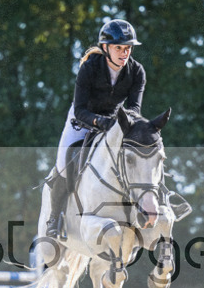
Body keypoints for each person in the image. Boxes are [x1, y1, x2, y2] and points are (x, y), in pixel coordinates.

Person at [44, 19, 146, 239]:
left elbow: (134, 110)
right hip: (82, 121)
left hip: (114, 123)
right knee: (63, 164)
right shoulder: (89, 69)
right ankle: (55, 218)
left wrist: (126, 127)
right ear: (106, 48)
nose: (124, 53)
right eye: (119, 48)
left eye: (127, 48)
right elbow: (80, 110)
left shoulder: (136, 72)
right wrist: (100, 123)